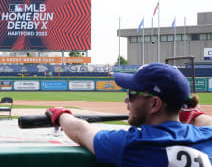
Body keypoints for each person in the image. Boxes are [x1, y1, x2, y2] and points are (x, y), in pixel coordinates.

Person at [46, 63, 212, 166]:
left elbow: (80, 131)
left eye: (132, 94)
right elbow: (208, 122)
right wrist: (194, 115)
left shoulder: (134, 144)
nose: (126, 99)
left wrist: (60, 114)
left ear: (155, 104)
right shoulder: (207, 137)